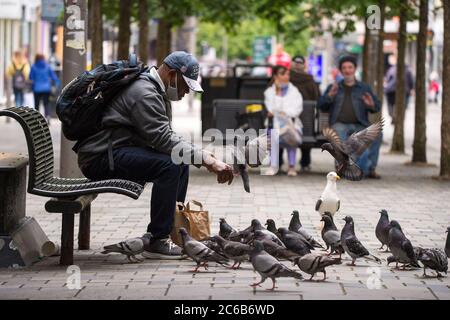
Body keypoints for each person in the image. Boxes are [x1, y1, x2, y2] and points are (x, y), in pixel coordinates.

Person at [76, 51, 234, 259]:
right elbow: (162, 139)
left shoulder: (154, 90)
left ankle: (173, 231)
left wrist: (200, 154)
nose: (187, 92)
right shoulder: (145, 93)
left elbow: (166, 137)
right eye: (185, 85)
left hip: (116, 151)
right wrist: (206, 159)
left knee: (179, 160)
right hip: (100, 158)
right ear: (171, 74)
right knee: (169, 165)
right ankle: (158, 240)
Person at [318, 55, 381, 178]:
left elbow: (376, 107)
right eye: (344, 68)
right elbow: (321, 105)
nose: (347, 70)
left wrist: (371, 105)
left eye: (350, 67)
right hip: (339, 124)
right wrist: (330, 96)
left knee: (378, 134)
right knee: (339, 139)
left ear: (355, 69)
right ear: (341, 70)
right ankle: (341, 169)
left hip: (360, 124)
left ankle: (371, 168)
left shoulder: (364, 87)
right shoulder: (334, 87)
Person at [264, 65, 303, 177]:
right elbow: (271, 109)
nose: (286, 76)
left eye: (287, 74)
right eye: (283, 74)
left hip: (291, 124)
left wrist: (283, 113)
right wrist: (278, 92)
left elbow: (297, 109)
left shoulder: (295, 91)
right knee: (273, 134)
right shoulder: (269, 92)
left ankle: (291, 167)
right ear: (276, 76)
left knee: (291, 134)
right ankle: (273, 166)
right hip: (275, 125)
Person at [290, 55, 320, 172]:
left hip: (287, 115)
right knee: (306, 133)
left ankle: (280, 161)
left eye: (299, 62)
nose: (297, 64)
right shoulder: (310, 80)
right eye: (296, 62)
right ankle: (305, 163)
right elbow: (316, 96)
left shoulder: (284, 77)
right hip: (305, 117)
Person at [29, 54, 60, 123]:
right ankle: (47, 117)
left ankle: (36, 119)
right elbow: (54, 78)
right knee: (46, 103)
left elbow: (30, 77)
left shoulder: (33, 67)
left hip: (36, 88)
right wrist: (55, 85)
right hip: (46, 89)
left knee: (36, 104)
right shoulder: (47, 66)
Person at [384, 54, 414, 124]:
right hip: (402, 91)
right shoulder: (407, 70)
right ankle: (396, 117)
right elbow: (411, 81)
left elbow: (387, 79)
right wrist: (411, 88)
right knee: (402, 107)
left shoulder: (391, 69)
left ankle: (394, 116)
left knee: (391, 106)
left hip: (392, 90)